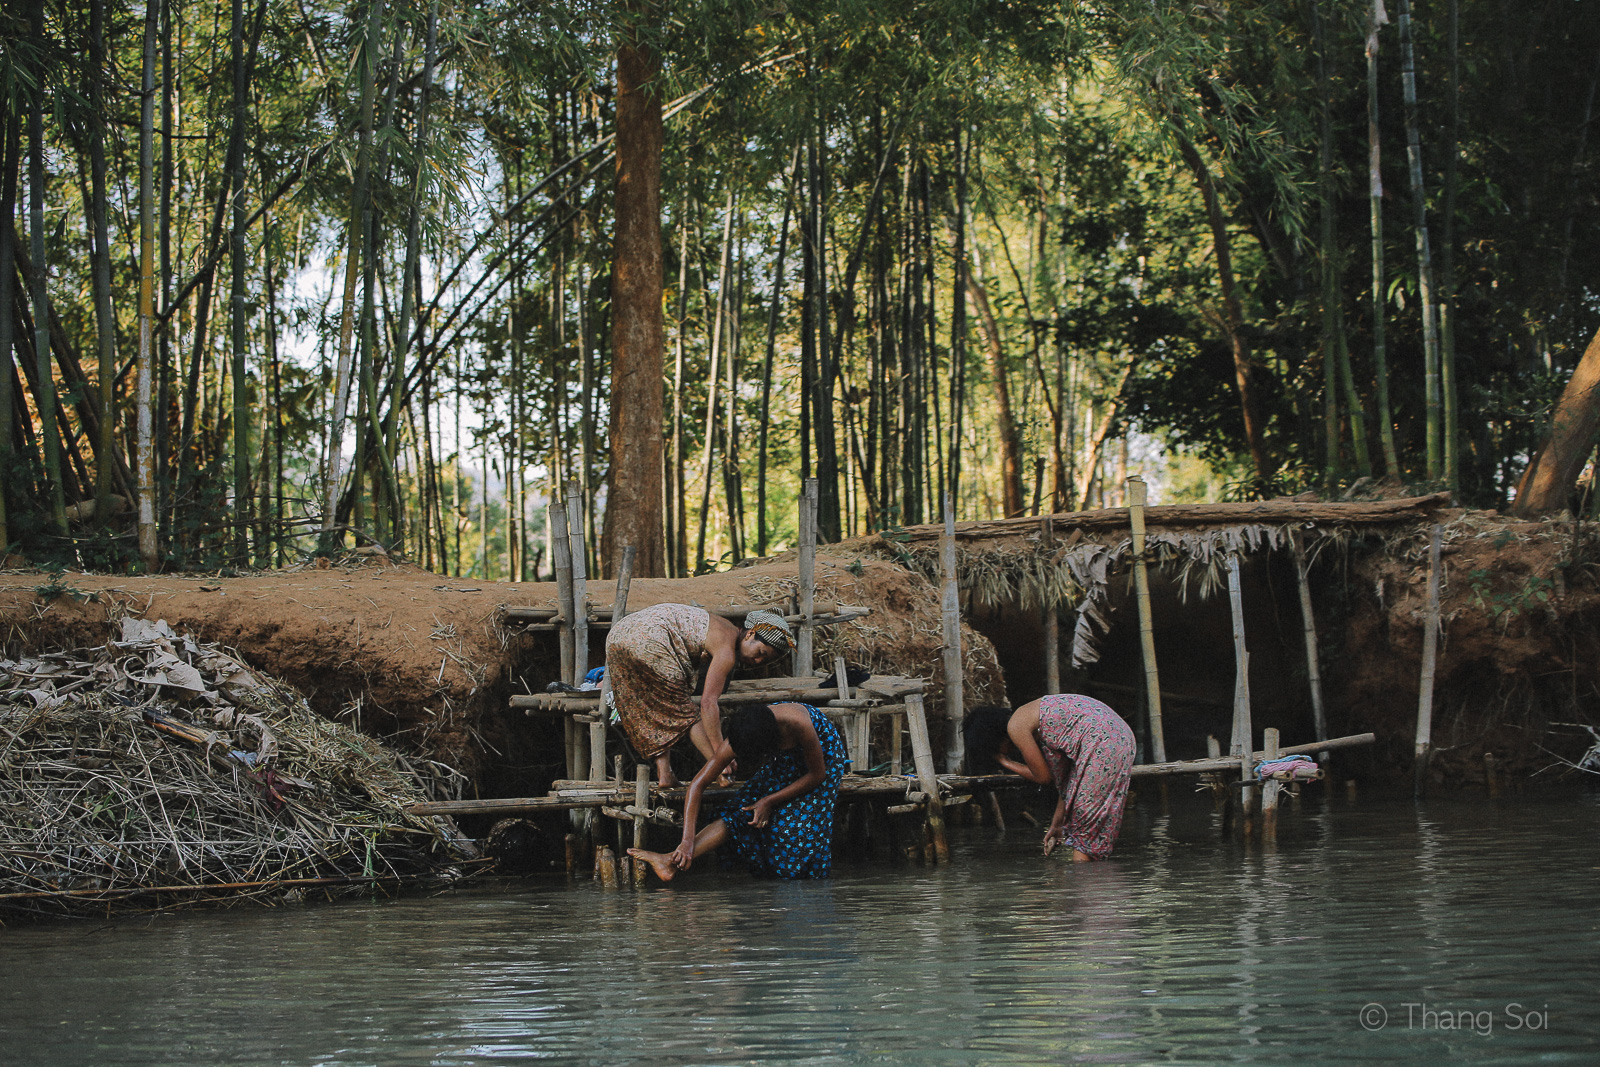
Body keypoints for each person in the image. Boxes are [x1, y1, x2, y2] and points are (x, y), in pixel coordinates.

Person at [629, 702, 847, 881]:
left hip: (824, 762)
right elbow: (697, 785)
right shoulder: (744, 732)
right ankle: (670, 862)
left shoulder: (798, 723)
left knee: (793, 830)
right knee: (741, 812)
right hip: (785, 761)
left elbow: (817, 775)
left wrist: (768, 801)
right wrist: (686, 841)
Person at [605, 604, 794, 786]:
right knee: (687, 713)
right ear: (750, 634)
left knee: (654, 703)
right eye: (760, 652)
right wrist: (721, 754)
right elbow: (708, 703)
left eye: (764, 660)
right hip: (651, 638)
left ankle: (665, 773)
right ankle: (719, 770)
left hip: (619, 634)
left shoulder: (722, 625)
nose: (758, 660)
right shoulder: (726, 648)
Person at [985, 694, 1135, 861]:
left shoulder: (1015, 725)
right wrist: (1057, 824)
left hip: (1102, 740)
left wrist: (1004, 761)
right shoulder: (1041, 718)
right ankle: (1094, 874)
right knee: (1092, 825)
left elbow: (1043, 777)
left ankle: (1082, 874)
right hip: (1120, 735)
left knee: (1084, 820)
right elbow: (1067, 781)